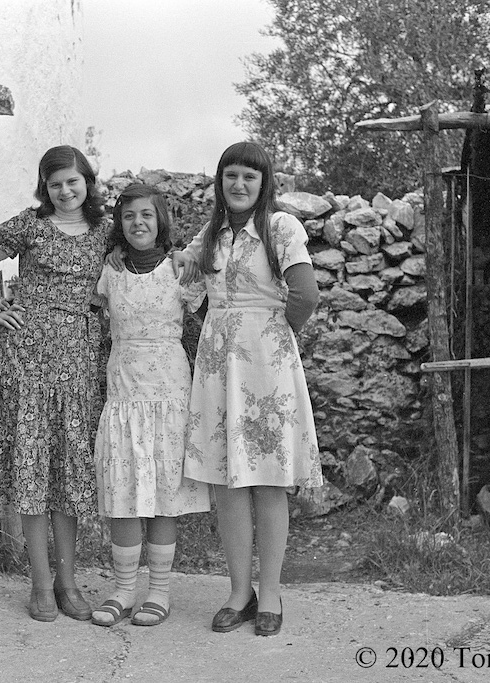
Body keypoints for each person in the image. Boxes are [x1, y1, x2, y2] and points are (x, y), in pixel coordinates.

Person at [173, 141, 322, 637]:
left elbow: (305, 294)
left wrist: (272, 335)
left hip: (266, 362)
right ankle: (240, 593)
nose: (239, 185)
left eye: (249, 177)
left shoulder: (281, 227)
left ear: (264, 183)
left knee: (269, 478)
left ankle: (271, 592)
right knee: (228, 481)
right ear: (220, 181)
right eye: (231, 175)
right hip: (219, 365)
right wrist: (218, 323)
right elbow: (186, 290)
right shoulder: (210, 234)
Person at [0, 145, 112, 623]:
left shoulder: (106, 231)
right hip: (27, 362)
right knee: (32, 471)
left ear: (87, 181)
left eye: (73, 181)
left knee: (67, 473)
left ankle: (69, 583)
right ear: (44, 188)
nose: (65, 191)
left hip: (79, 363)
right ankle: (41, 585)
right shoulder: (29, 225)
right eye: (55, 184)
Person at [89, 184, 210, 628]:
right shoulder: (110, 272)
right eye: (128, 216)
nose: (138, 223)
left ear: (160, 220)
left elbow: (215, 310)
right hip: (124, 394)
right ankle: (123, 590)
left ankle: (158, 592)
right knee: (123, 492)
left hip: (168, 394)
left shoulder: (181, 271)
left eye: (146, 215)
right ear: (119, 224)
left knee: (163, 496)